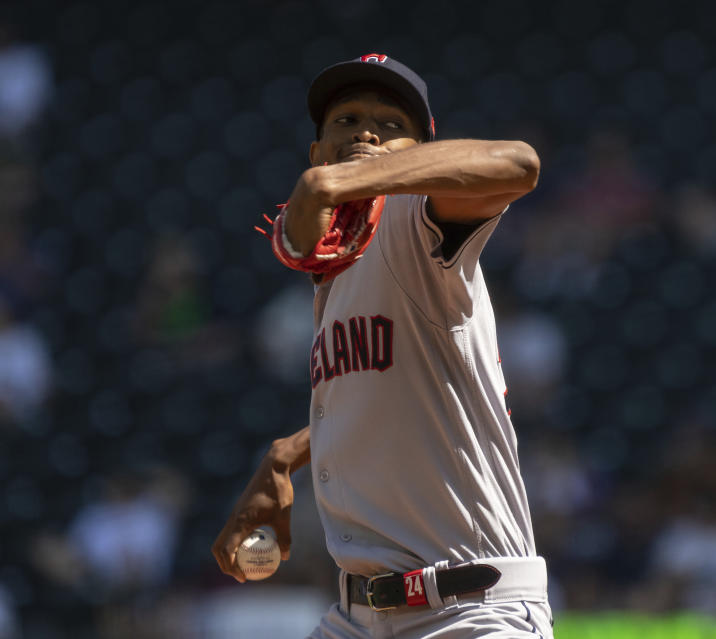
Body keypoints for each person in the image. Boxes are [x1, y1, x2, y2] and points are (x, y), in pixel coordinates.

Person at [212, 54, 552, 638]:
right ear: (316, 153)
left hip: (471, 606)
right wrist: (286, 456)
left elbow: (519, 165)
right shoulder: (338, 267)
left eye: (391, 124)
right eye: (345, 120)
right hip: (358, 617)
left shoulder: (418, 221)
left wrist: (347, 180)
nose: (366, 132)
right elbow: (384, 399)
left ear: (422, 153)